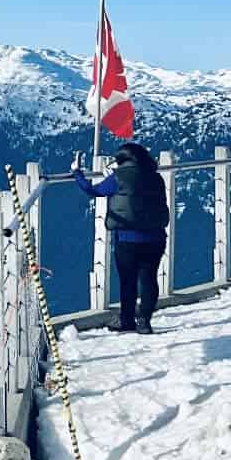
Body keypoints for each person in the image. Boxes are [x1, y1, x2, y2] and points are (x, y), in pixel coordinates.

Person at [72, 142, 169, 334]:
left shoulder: (117, 177)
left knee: (128, 280)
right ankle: (144, 321)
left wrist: (77, 172)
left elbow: (93, 190)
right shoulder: (156, 178)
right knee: (149, 279)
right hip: (156, 237)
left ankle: (126, 320)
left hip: (127, 238)